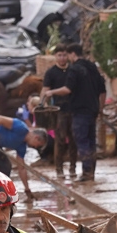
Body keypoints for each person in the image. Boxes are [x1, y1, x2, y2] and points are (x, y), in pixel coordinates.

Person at [66, 43, 105, 183]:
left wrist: (50, 92)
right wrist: (101, 108)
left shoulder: (74, 69)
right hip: (92, 111)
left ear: (72, 54)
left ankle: (87, 172)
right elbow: (102, 88)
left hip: (80, 111)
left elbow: (68, 89)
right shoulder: (93, 67)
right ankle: (91, 171)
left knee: (82, 142)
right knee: (91, 141)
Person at [0, 114, 42, 199]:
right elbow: (0, 118)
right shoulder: (21, 127)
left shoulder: (22, 147)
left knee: (5, 167)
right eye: (37, 145)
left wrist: (27, 189)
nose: (35, 147)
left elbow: (22, 168)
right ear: (36, 138)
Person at [40, 48, 76, 177]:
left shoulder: (73, 70)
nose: (62, 58)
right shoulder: (51, 73)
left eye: (64, 55)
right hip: (58, 111)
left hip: (73, 109)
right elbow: (45, 91)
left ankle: (73, 167)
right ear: (55, 56)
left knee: (74, 140)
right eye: (59, 55)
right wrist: (43, 106)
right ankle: (59, 169)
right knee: (60, 140)